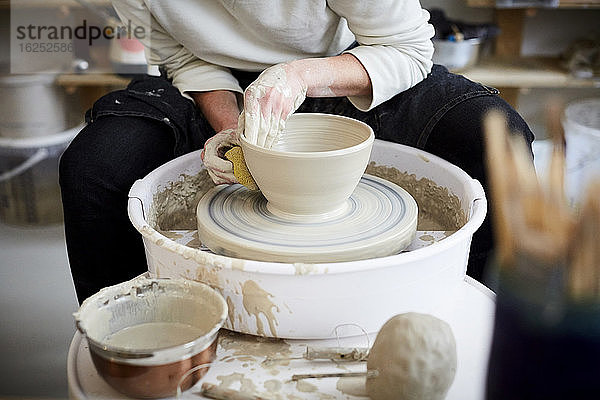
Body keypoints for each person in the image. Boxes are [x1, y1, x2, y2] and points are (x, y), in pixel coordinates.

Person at [60, 0, 534, 303]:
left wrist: (300, 77)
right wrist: (236, 129)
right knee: (95, 169)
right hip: (218, 84)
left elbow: (407, 49)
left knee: (496, 137)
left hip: (347, 66)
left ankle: (474, 317)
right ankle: (137, 342)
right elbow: (183, 57)